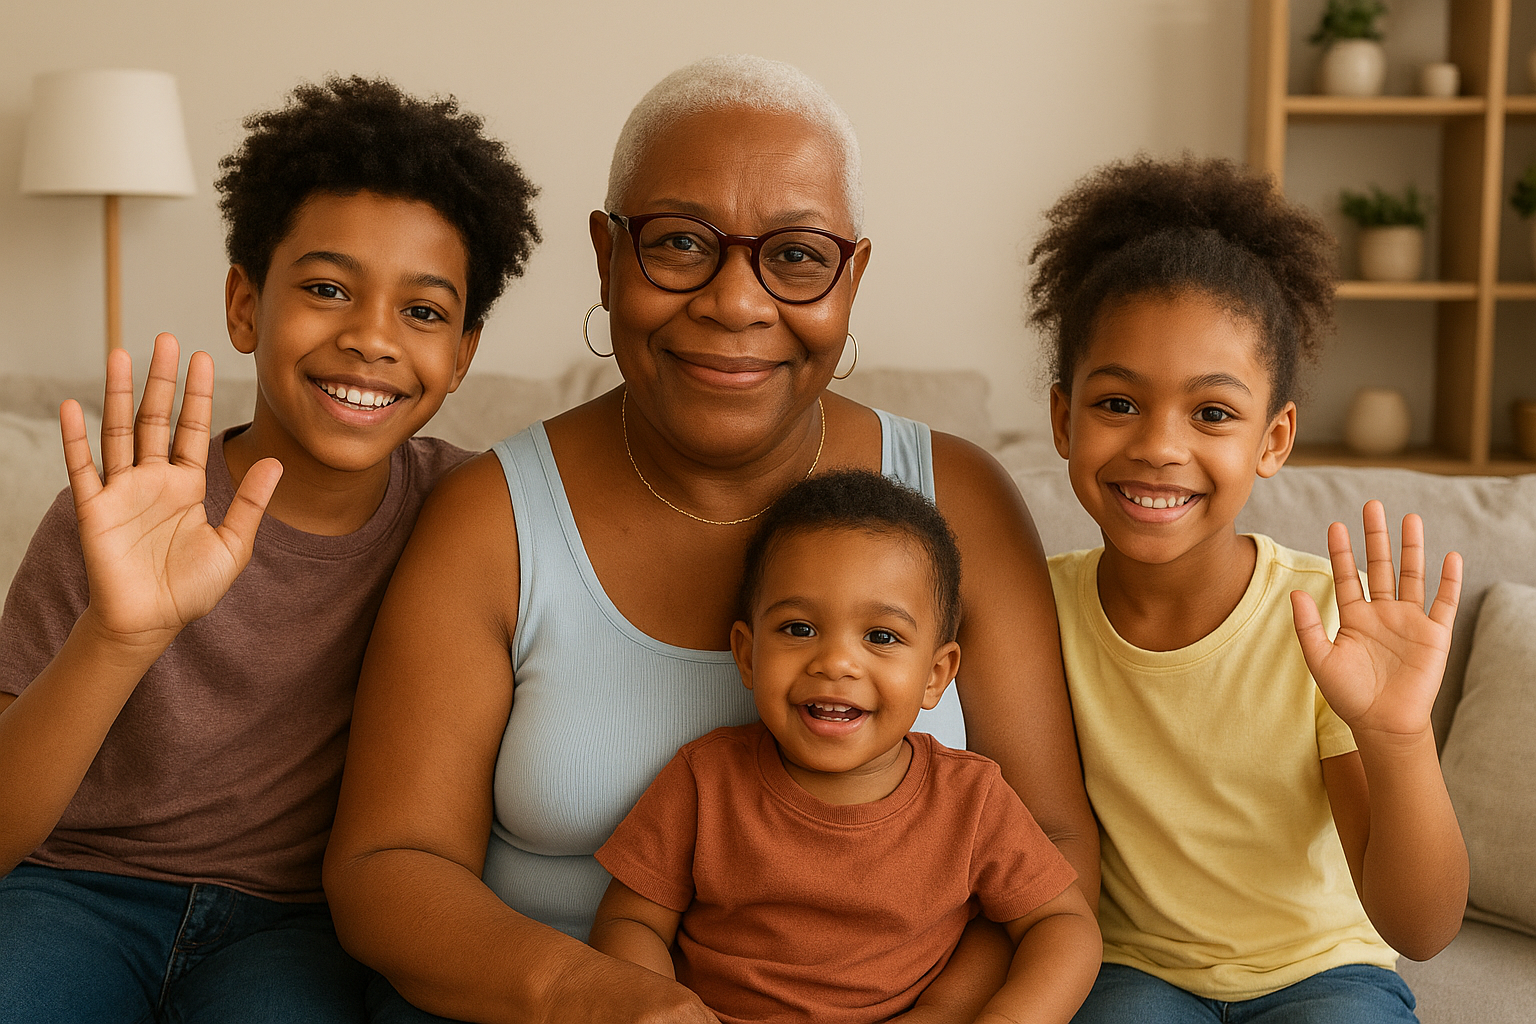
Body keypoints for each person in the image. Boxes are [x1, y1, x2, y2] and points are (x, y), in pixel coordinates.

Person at [323, 54, 1098, 1024]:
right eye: (681, 243)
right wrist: (608, 1001)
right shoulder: (490, 516)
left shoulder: (962, 499)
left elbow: (1053, 844)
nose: (736, 302)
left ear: (851, 277)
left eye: (797, 255)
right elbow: (388, 866)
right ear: (607, 255)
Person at [0, 76, 539, 1024]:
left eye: (422, 312)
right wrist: (118, 635)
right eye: (327, 289)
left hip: (294, 928)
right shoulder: (118, 513)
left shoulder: (472, 513)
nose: (371, 338)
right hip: (70, 890)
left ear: (463, 354)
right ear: (246, 306)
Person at [1030, 156, 1468, 1023]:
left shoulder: (1325, 625)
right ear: (1062, 419)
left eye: (1212, 413)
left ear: (1274, 440)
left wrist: (1398, 735)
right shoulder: (1032, 612)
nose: (1159, 445)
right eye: (1118, 404)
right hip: (1134, 973)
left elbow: (1420, 928)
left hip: (1324, 973)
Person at [589, 469, 1101, 1024]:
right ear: (747, 654)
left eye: (881, 637)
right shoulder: (704, 779)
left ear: (936, 675)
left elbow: (1064, 927)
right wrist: (660, 1005)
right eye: (798, 629)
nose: (835, 662)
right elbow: (630, 922)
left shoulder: (972, 800)